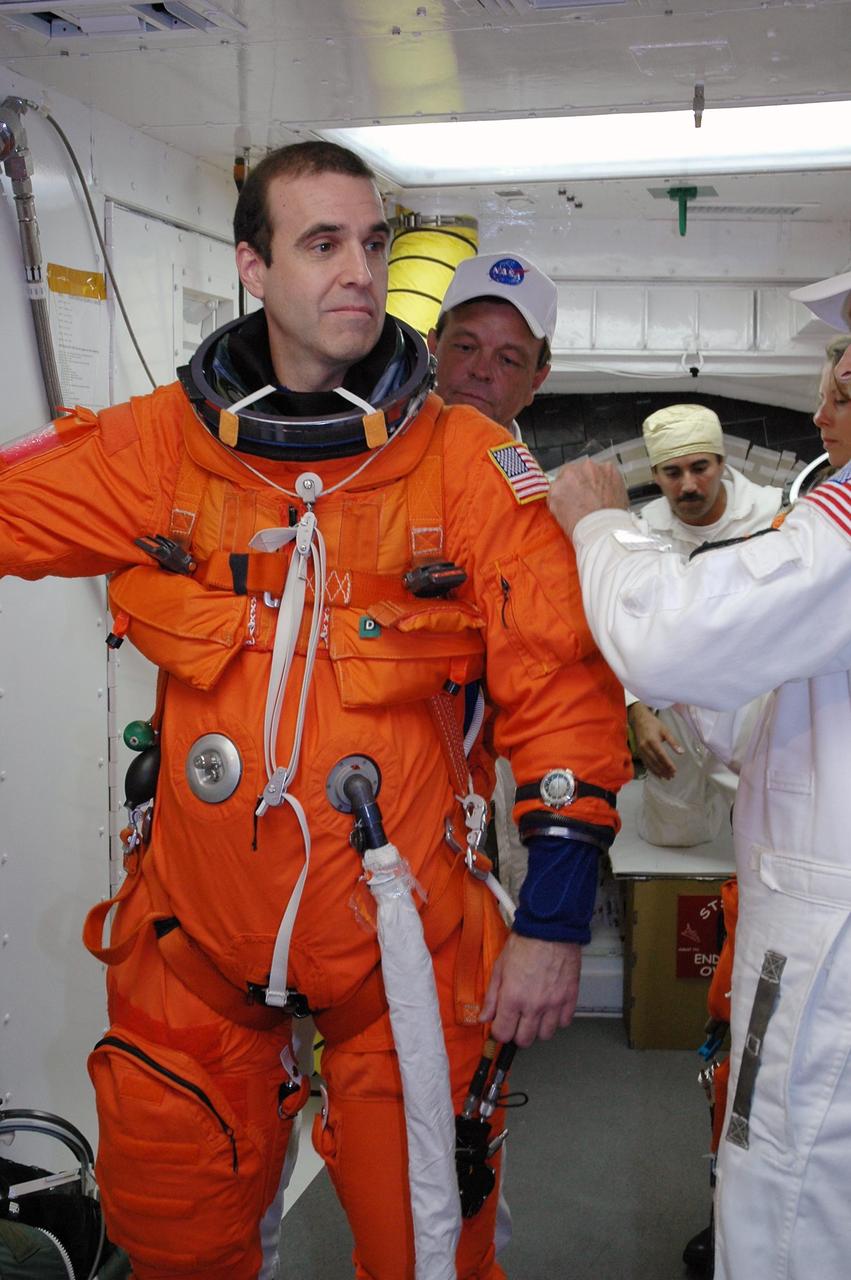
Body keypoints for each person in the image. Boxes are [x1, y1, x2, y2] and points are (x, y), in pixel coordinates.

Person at [0, 141, 630, 1280]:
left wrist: (550, 922)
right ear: (252, 265)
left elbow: (563, 687)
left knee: (427, 1252)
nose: (359, 271)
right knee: (178, 1245)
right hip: (194, 946)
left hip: (403, 953)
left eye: (373, 244)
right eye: (322, 243)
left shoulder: (467, 467)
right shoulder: (159, 449)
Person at [546, 309, 851, 1280]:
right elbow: (783, 704)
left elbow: (671, 635)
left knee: (788, 1192)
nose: (822, 414)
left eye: (841, 392)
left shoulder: (834, 520)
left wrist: (597, 522)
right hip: (808, 885)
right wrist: (677, 705)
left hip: (829, 935)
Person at [429, 251, 557, 904]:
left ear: (538, 378)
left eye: (508, 359)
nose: (481, 370)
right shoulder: (360, 469)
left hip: (486, 777)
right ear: (433, 345)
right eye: (465, 346)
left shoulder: (542, 510)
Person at [626, 404, 781, 848]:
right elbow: (622, 624)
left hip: (759, 701)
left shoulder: (775, 516)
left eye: (700, 468)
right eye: (672, 472)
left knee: (772, 829)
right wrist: (637, 711)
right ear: (655, 475)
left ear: (722, 462)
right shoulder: (641, 533)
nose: (689, 485)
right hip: (678, 704)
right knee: (674, 833)